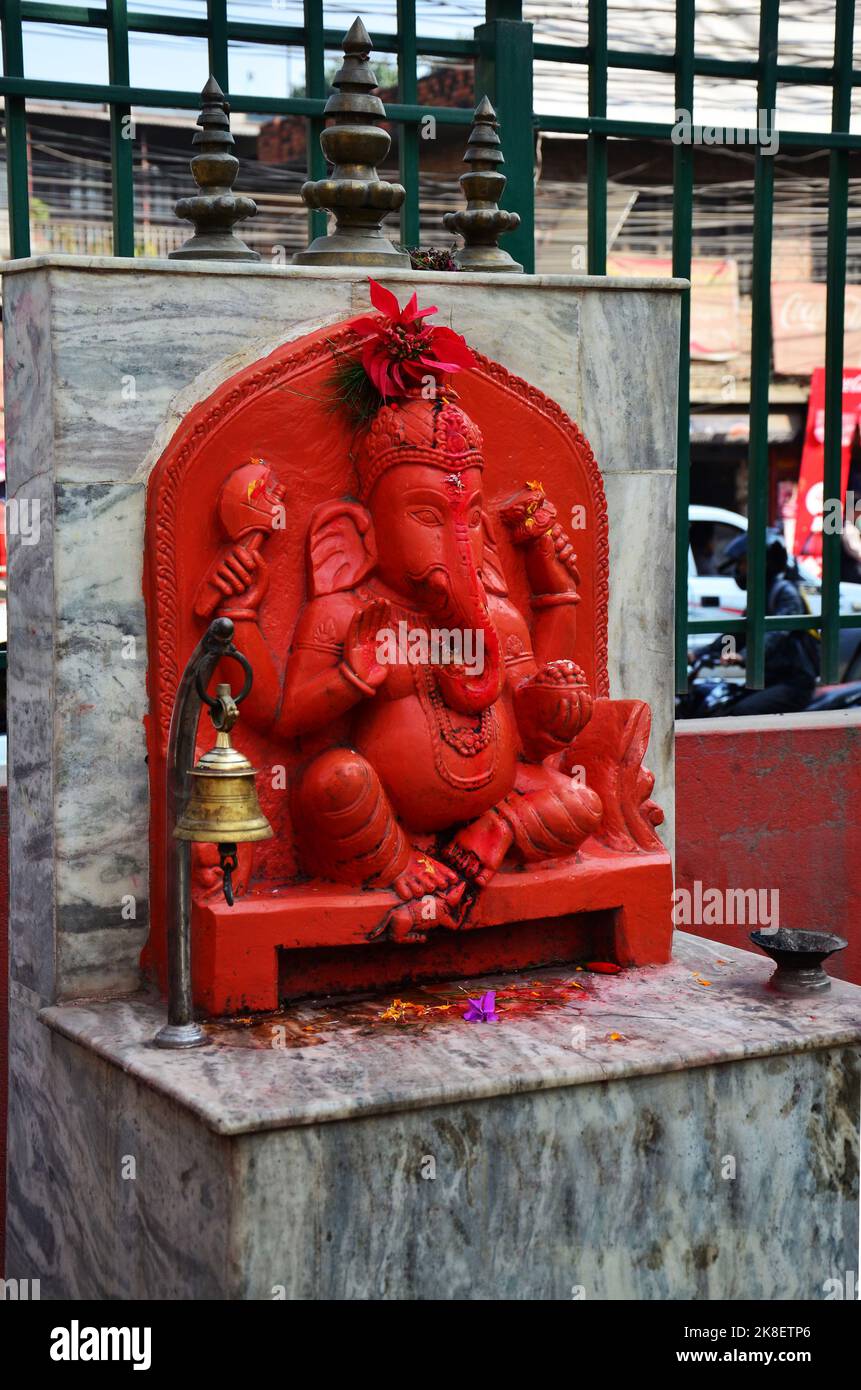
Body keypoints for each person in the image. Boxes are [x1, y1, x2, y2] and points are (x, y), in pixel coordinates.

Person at [714, 528, 819, 715]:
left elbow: (776, 632)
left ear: (763, 563)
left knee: (741, 712)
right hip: (770, 679)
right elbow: (739, 633)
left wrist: (744, 655)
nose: (739, 569)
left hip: (793, 682)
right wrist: (699, 654)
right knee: (722, 702)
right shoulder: (761, 596)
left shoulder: (785, 593)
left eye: (743, 563)